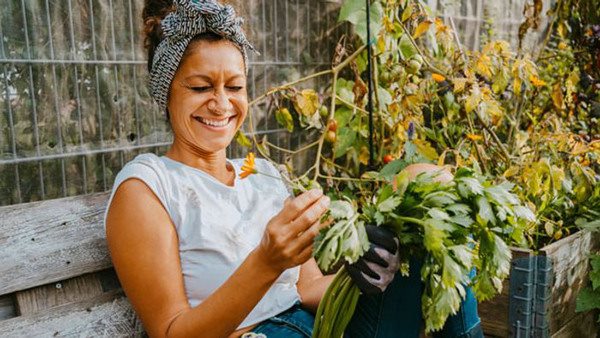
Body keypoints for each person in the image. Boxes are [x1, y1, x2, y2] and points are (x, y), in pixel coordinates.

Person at [104, 1, 483, 337]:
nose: (221, 104)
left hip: (316, 324)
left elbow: (305, 289)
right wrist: (266, 263)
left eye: (234, 87)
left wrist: (359, 270)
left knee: (430, 184)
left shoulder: (262, 174)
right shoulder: (148, 187)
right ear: (166, 91)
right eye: (201, 87)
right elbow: (171, 332)